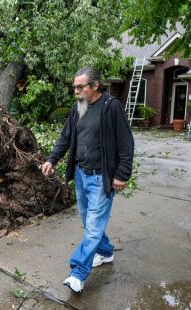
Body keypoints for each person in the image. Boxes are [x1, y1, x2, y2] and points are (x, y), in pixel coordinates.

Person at [41, 67, 134, 293]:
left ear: (95, 85)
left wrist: (122, 175)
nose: (76, 91)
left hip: (102, 178)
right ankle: (105, 252)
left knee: (92, 226)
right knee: (89, 221)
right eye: (74, 87)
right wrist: (52, 160)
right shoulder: (78, 108)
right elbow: (65, 138)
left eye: (80, 87)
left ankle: (78, 273)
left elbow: (126, 144)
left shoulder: (111, 108)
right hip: (82, 175)